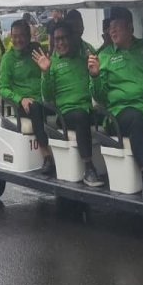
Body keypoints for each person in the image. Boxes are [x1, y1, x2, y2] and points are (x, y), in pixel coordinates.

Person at [89, 6, 143, 201]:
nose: (113, 31)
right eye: (110, 28)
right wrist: (96, 76)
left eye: (118, 26)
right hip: (120, 113)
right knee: (136, 118)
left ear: (130, 28)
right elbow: (100, 97)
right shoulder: (104, 56)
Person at [33, 21, 105, 188]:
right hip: (67, 113)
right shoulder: (52, 63)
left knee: (115, 115)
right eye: (57, 39)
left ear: (72, 38)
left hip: (89, 109)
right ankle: (89, 168)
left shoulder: (83, 56)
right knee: (80, 116)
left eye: (64, 38)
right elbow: (48, 96)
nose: (61, 43)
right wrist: (45, 73)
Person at [0, 20, 54, 175]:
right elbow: (1, 88)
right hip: (23, 105)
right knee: (35, 107)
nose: (18, 40)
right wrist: (19, 99)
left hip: (44, 99)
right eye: (14, 36)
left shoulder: (36, 51)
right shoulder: (8, 59)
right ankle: (46, 156)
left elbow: (48, 70)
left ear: (29, 36)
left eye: (22, 36)